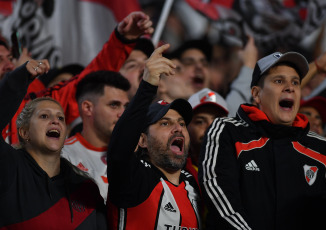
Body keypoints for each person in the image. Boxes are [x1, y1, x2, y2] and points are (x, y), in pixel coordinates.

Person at [199, 51, 326, 229]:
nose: (290, 87)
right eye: (279, 81)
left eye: (295, 82)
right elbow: (217, 191)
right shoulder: (227, 131)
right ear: (256, 94)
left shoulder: (323, 150)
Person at [2, 11, 154, 145]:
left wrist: (122, 41)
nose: (9, 64)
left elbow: (86, 83)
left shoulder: (30, 108)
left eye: (9, 57)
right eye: (0, 60)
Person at [0, 60, 107, 229]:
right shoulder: (9, 168)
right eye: (44, 116)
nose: (55, 122)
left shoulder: (85, 188)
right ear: (24, 132)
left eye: (60, 118)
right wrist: (18, 79)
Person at [107, 44, 201, 229]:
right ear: (142, 140)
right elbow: (119, 150)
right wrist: (148, 85)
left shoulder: (193, 185)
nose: (177, 128)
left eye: (182, 123)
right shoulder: (134, 178)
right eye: (164, 123)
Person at [62, 70, 130, 202]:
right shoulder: (63, 156)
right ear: (87, 108)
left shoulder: (136, 155)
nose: (123, 114)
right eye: (114, 105)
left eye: (126, 107)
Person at [185, 87, 229, 183]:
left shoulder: (242, 164)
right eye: (200, 122)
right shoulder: (175, 171)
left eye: (218, 121)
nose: (211, 128)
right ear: (186, 128)